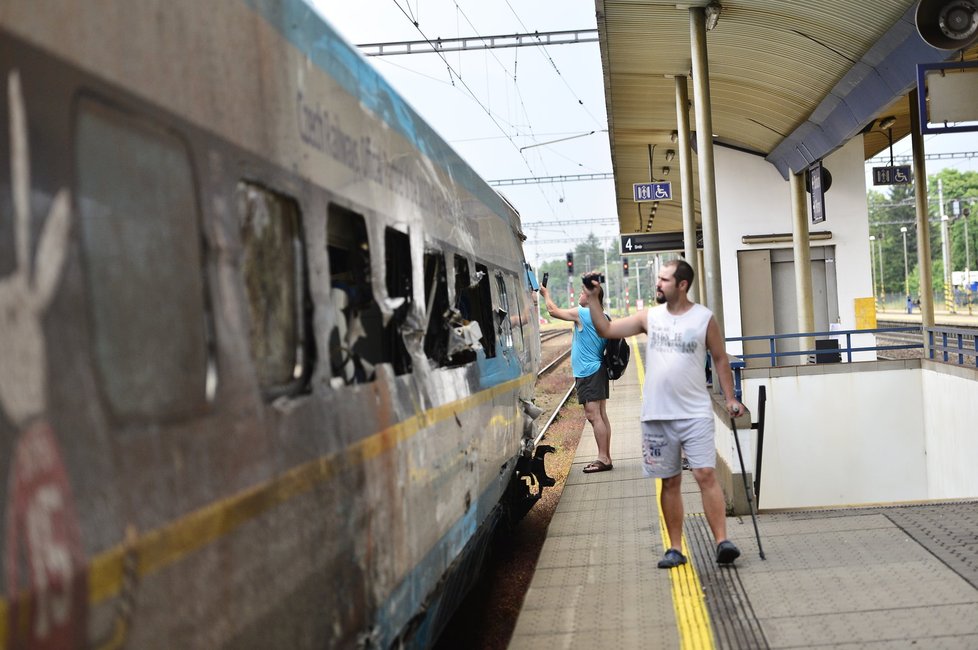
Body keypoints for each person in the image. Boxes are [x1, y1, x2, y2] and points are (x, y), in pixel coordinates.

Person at [584, 259, 745, 567]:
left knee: (705, 474)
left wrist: (730, 398)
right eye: (659, 279)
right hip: (657, 415)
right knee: (669, 481)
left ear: (682, 285)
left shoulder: (703, 319)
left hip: (695, 413)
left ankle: (723, 541)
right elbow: (606, 328)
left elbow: (721, 359)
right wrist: (594, 299)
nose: (658, 284)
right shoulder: (649, 317)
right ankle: (674, 548)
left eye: (664, 280)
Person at [539, 273, 613, 473]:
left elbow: (552, 311)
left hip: (588, 371)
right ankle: (605, 456)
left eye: (582, 293)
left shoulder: (584, 313)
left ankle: (603, 458)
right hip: (598, 369)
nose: (579, 295)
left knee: (593, 415)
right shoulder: (604, 316)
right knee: (601, 415)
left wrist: (545, 293)